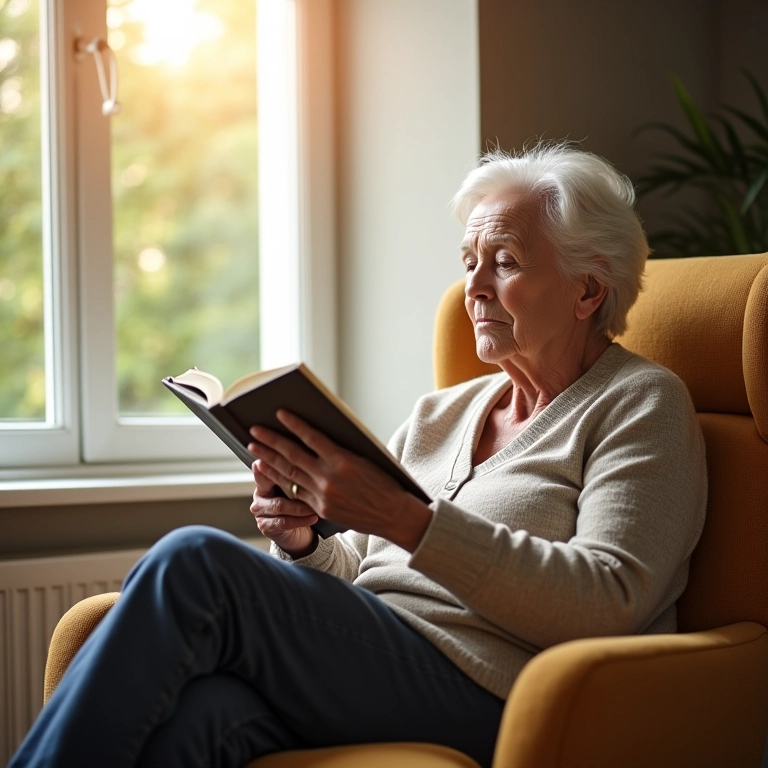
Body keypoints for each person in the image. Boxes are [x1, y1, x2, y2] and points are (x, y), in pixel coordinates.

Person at [11, 143, 707, 768]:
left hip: (499, 692)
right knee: (202, 720)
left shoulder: (641, 403)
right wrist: (307, 543)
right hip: (371, 663)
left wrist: (411, 520)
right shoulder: (443, 412)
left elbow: (609, 599)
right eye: (469, 264)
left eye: (505, 262)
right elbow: (369, 571)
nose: (475, 288)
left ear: (589, 288)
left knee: (195, 563)